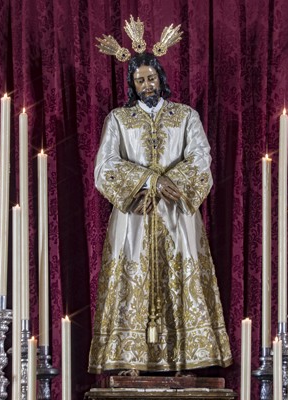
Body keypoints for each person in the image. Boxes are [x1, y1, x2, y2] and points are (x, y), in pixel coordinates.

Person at [88, 18, 232, 375]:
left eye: (151, 78)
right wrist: (150, 181)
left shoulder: (185, 116)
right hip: (134, 214)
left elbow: (201, 157)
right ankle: (131, 359)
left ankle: (185, 357)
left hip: (177, 213)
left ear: (161, 78)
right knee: (132, 277)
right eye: (140, 81)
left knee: (181, 275)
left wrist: (172, 184)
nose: (147, 85)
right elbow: (105, 166)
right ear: (132, 85)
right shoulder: (119, 120)